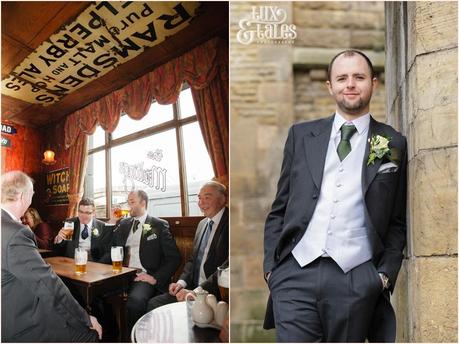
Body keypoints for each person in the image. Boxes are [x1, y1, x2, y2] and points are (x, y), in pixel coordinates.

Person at [263, 50, 407, 342]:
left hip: (355, 279)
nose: (350, 84)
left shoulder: (392, 142)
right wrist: (272, 270)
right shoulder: (301, 135)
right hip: (294, 274)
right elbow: (280, 208)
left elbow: (397, 220)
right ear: (330, 86)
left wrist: (382, 277)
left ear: (373, 83)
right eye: (342, 78)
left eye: (359, 77)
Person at [1, 171, 102, 342]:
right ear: (23, 196)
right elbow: (48, 286)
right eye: (33, 193)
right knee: (90, 335)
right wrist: (85, 318)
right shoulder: (16, 232)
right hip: (18, 320)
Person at [101, 190, 181, 331]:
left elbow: (174, 258)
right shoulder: (124, 223)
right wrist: (112, 222)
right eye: (128, 202)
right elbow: (111, 247)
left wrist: (154, 278)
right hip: (121, 273)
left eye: (132, 202)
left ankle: (135, 338)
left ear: (143, 203)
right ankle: (111, 336)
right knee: (96, 294)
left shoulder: (159, 225)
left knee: (135, 302)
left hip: (144, 276)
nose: (128, 205)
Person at [147, 181, 229, 310]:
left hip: (217, 292)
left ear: (223, 199)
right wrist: (181, 283)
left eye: (207, 198)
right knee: (154, 303)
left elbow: (227, 267)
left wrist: (197, 292)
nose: (201, 203)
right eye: (199, 198)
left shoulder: (232, 223)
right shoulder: (202, 224)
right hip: (193, 287)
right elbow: (192, 260)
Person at [53, 198, 112, 262]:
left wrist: (98, 266)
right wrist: (59, 239)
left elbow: (107, 252)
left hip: (94, 264)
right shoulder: (70, 223)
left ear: (94, 213)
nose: (83, 216)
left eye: (87, 213)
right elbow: (59, 250)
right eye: (81, 212)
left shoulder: (102, 227)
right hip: (72, 263)